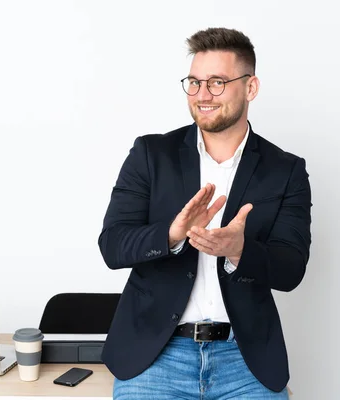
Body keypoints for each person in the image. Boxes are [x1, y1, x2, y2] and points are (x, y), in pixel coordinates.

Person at [98, 27, 311, 399]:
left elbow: (291, 269)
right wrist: (171, 235)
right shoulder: (151, 155)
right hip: (156, 358)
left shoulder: (285, 170)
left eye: (216, 82)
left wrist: (239, 251)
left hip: (244, 362)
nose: (202, 95)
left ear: (251, 87)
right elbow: (112, 245)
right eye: (194, 83)